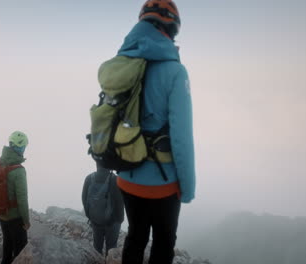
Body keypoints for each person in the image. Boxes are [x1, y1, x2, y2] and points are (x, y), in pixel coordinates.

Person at [113, 1, 196, 263]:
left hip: (125, 175)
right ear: (171, 29)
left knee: (136, 236)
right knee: (163, 241)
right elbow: (181, 137)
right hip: (163, 183)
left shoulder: (121, 65)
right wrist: (188, 186)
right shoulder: (175, 72)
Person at [0, 131, 30, 264]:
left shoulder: (1, 162)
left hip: (2, 213)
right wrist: (26, 221)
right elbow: (22, 199)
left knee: (7, 242)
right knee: (20, 249)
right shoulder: (19, 170)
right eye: (24, 147)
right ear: (20, 147)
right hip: (15, 217)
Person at [82, 163, 125, 256]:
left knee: (97, 246)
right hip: (112, 222)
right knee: (111, 247)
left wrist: (90, 216)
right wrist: (120, 220)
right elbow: (120, 202)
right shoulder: (115, 179)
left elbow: (84, 198)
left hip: (96, 220)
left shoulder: (89, 178)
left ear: (97, 165)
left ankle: (97, 260)